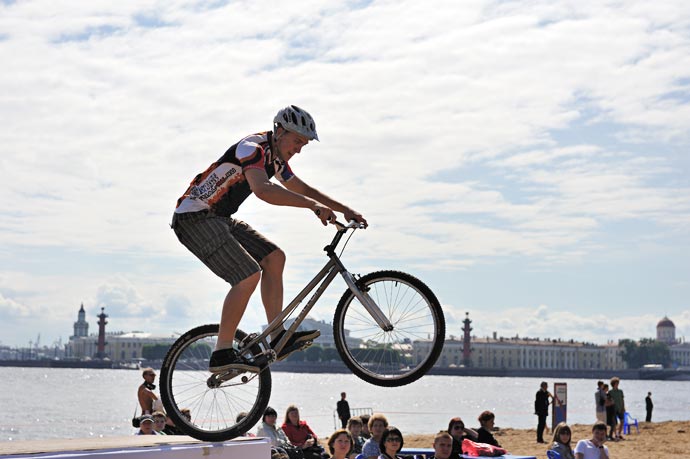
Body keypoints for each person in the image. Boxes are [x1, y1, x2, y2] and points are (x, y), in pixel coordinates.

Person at [172, 105, 367, 373]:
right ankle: (222, 352)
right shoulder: (252, 148)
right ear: (280, 131)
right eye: (297, 141)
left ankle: (277, 337)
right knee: (247, 275)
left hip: (219, 218)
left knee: (275, 258)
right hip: (194, 218)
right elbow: (263, 190)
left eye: (304, 144)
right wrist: (312, 206)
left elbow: (301, 187)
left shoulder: (275, 159)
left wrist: (345, 210)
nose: (299, 149)